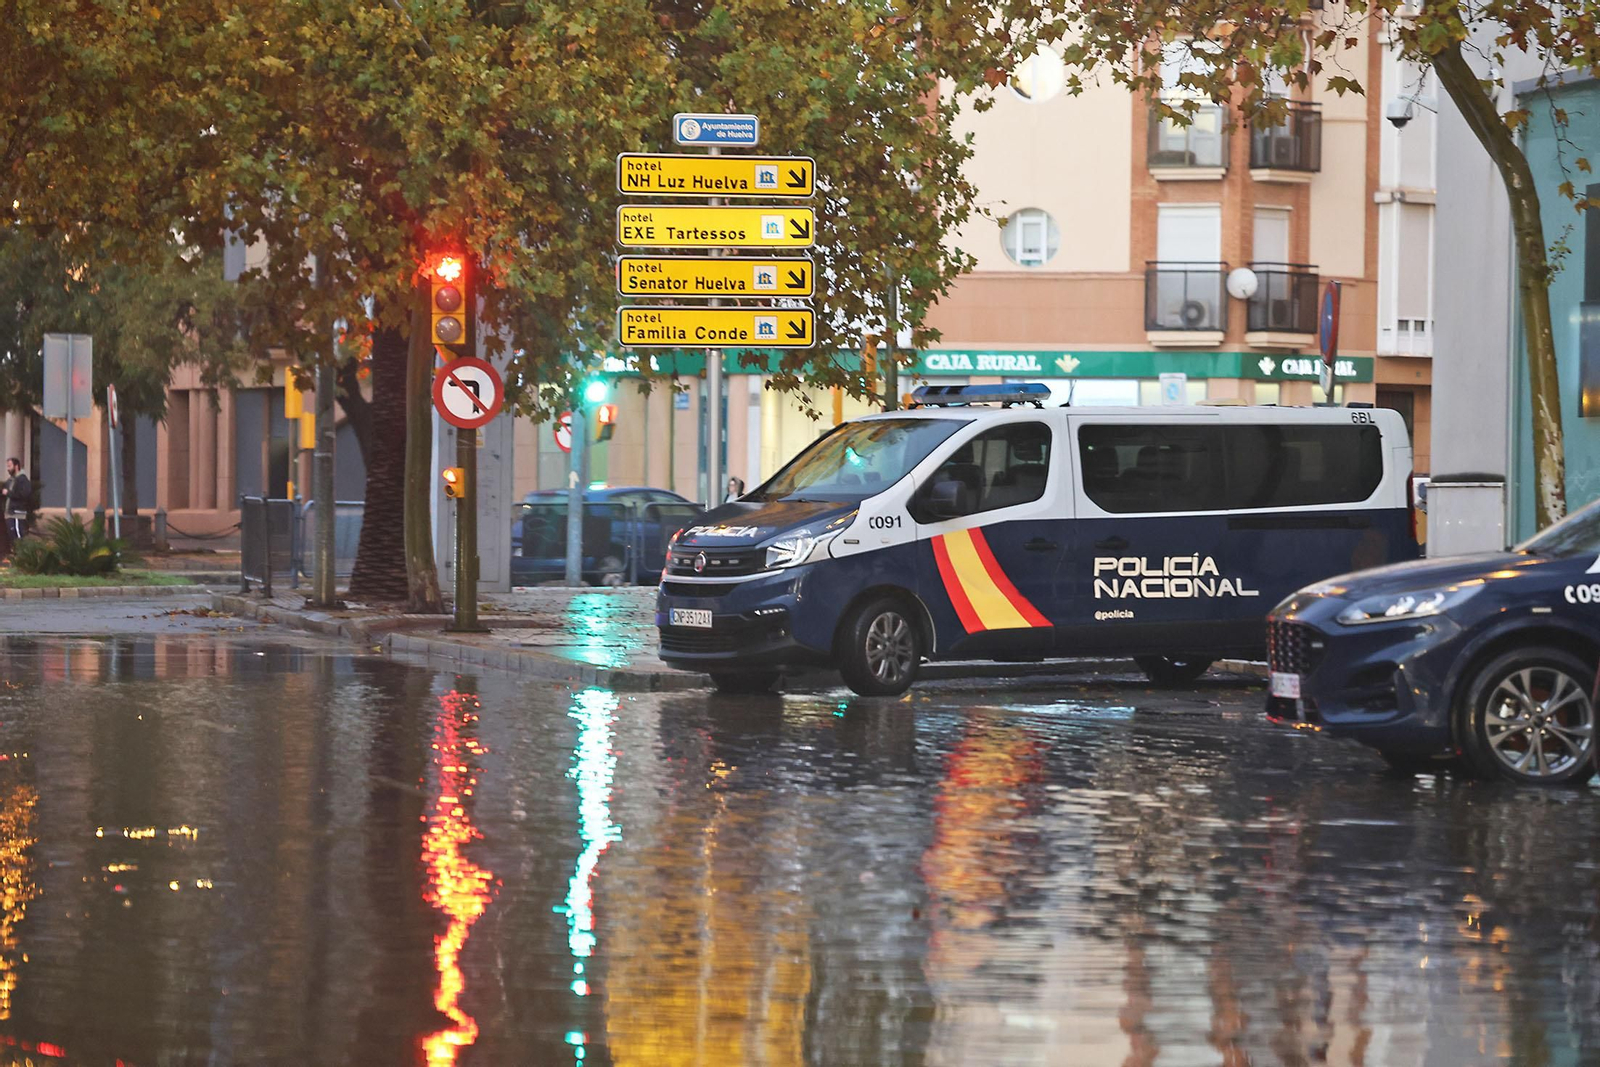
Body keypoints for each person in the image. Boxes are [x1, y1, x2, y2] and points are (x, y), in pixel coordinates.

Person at [3, 458, 31, 543]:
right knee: (12, 535)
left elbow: (24, 494)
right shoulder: (10, 480)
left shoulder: (22, 480)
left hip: (17, 513)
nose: (8, 469)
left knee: (18, 535)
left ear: (16, 466)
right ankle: (16, 552)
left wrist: (9, 493)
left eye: (10, 466)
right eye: (7, 466)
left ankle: (21, 553)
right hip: (10, 513)